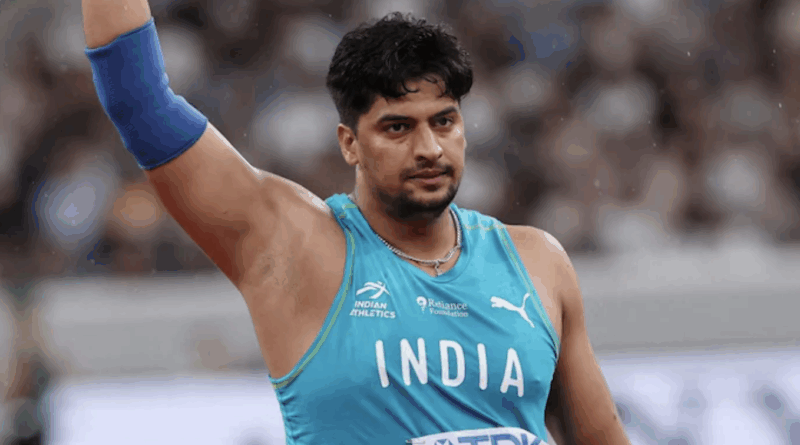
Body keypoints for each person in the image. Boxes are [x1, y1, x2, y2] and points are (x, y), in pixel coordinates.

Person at [81, 0, 631, 443]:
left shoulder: (538, 263)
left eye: (445, 122)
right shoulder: (295, 248)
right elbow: (142, 104)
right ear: (350, 143)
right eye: (398, 128)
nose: (429, 148)